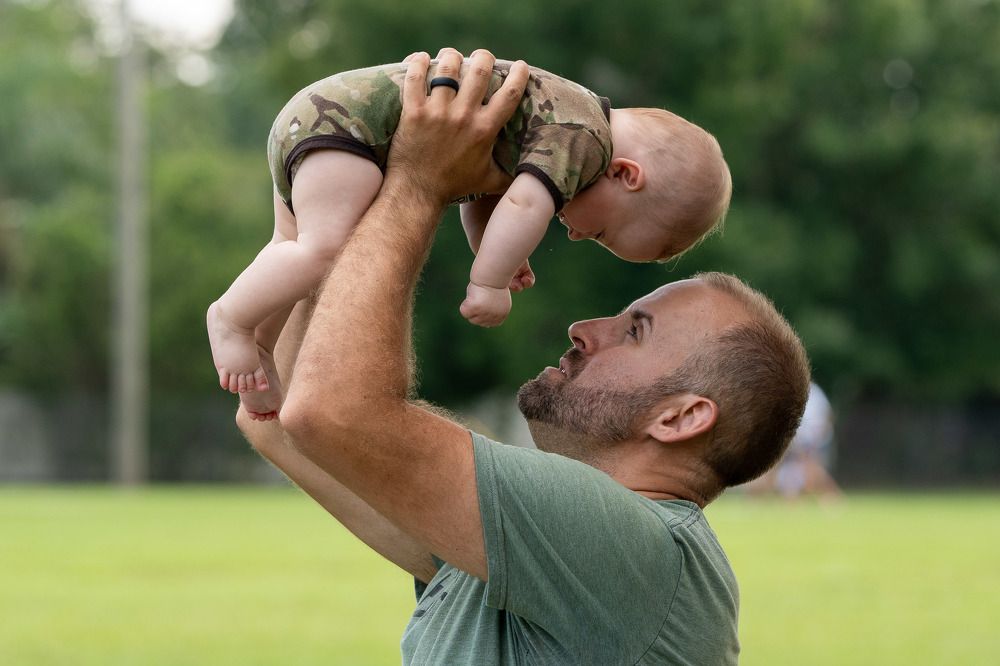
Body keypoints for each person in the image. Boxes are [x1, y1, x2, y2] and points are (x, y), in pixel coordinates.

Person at [234, 49, 810, 664]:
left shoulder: (626, 547)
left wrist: (420, 179)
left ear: (680, 417)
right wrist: (342, 206)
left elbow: (330, 414)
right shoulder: (522, 553)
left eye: (633, 332)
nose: (585, 328)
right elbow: (286, 418)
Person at [207, 53, 732, 422]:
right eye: (603, 233)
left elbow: (486, 193)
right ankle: (230, 318)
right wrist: (489, 282)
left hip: (321, 119)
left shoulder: (559, 125)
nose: (576, 236)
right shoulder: (584, 139)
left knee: (290, 253)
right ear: (626, 174)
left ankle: (260, 347)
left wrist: (493, 248)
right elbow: (524, 204)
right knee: (324, 251)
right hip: (347, 129)